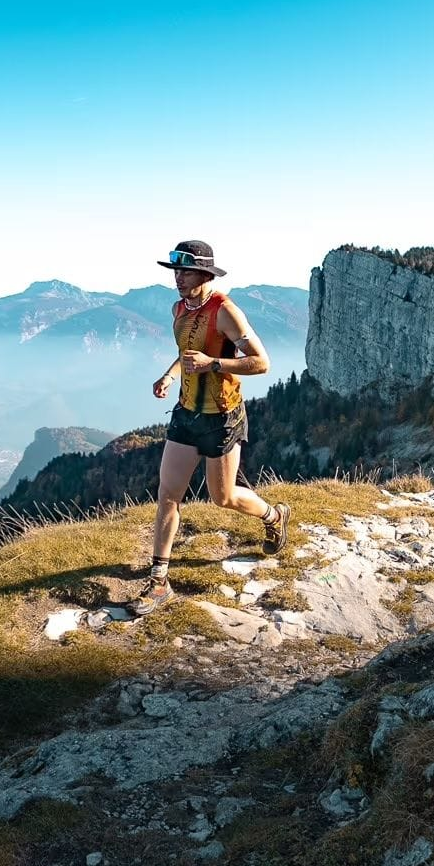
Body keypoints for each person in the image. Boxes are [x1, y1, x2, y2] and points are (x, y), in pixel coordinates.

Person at [138, 240, 289, 611]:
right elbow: (186, 354)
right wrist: (170, 375)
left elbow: (262, 363)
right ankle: (159, 582)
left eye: (185, 271)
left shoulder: (226, 311)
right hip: (185, 414)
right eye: (175, 270)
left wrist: (213, 364)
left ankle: (274, 515)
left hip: (222, 417)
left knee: (223, 498)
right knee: (168, 495)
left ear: (205, 273)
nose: (177, 277)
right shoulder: (179, 308)